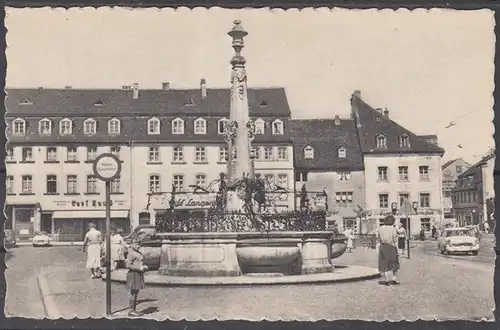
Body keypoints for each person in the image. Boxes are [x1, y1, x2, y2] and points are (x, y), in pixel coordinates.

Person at [126, 238, 148, 317]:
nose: (138, 246)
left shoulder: (137, 252)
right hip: (133, 274)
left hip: (138, 274)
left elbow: (139, 262)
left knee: (136, 292)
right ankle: (131, 311)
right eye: (136, 244)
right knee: (133, 293)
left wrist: (143, 267)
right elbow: (128, 265)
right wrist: (139, 268)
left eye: (139, 244)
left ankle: (133, 310)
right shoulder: (131, 253)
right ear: (131, 244)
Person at [377, 215, 400, 286]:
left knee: (384, 263)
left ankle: (387, 280)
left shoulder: (380, 228)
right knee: (394, 264)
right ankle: (394, 278)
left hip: (383, 246)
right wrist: (398, 250)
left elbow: (379, 239)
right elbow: (395, 240)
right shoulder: (393, 228)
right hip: (391, 247)